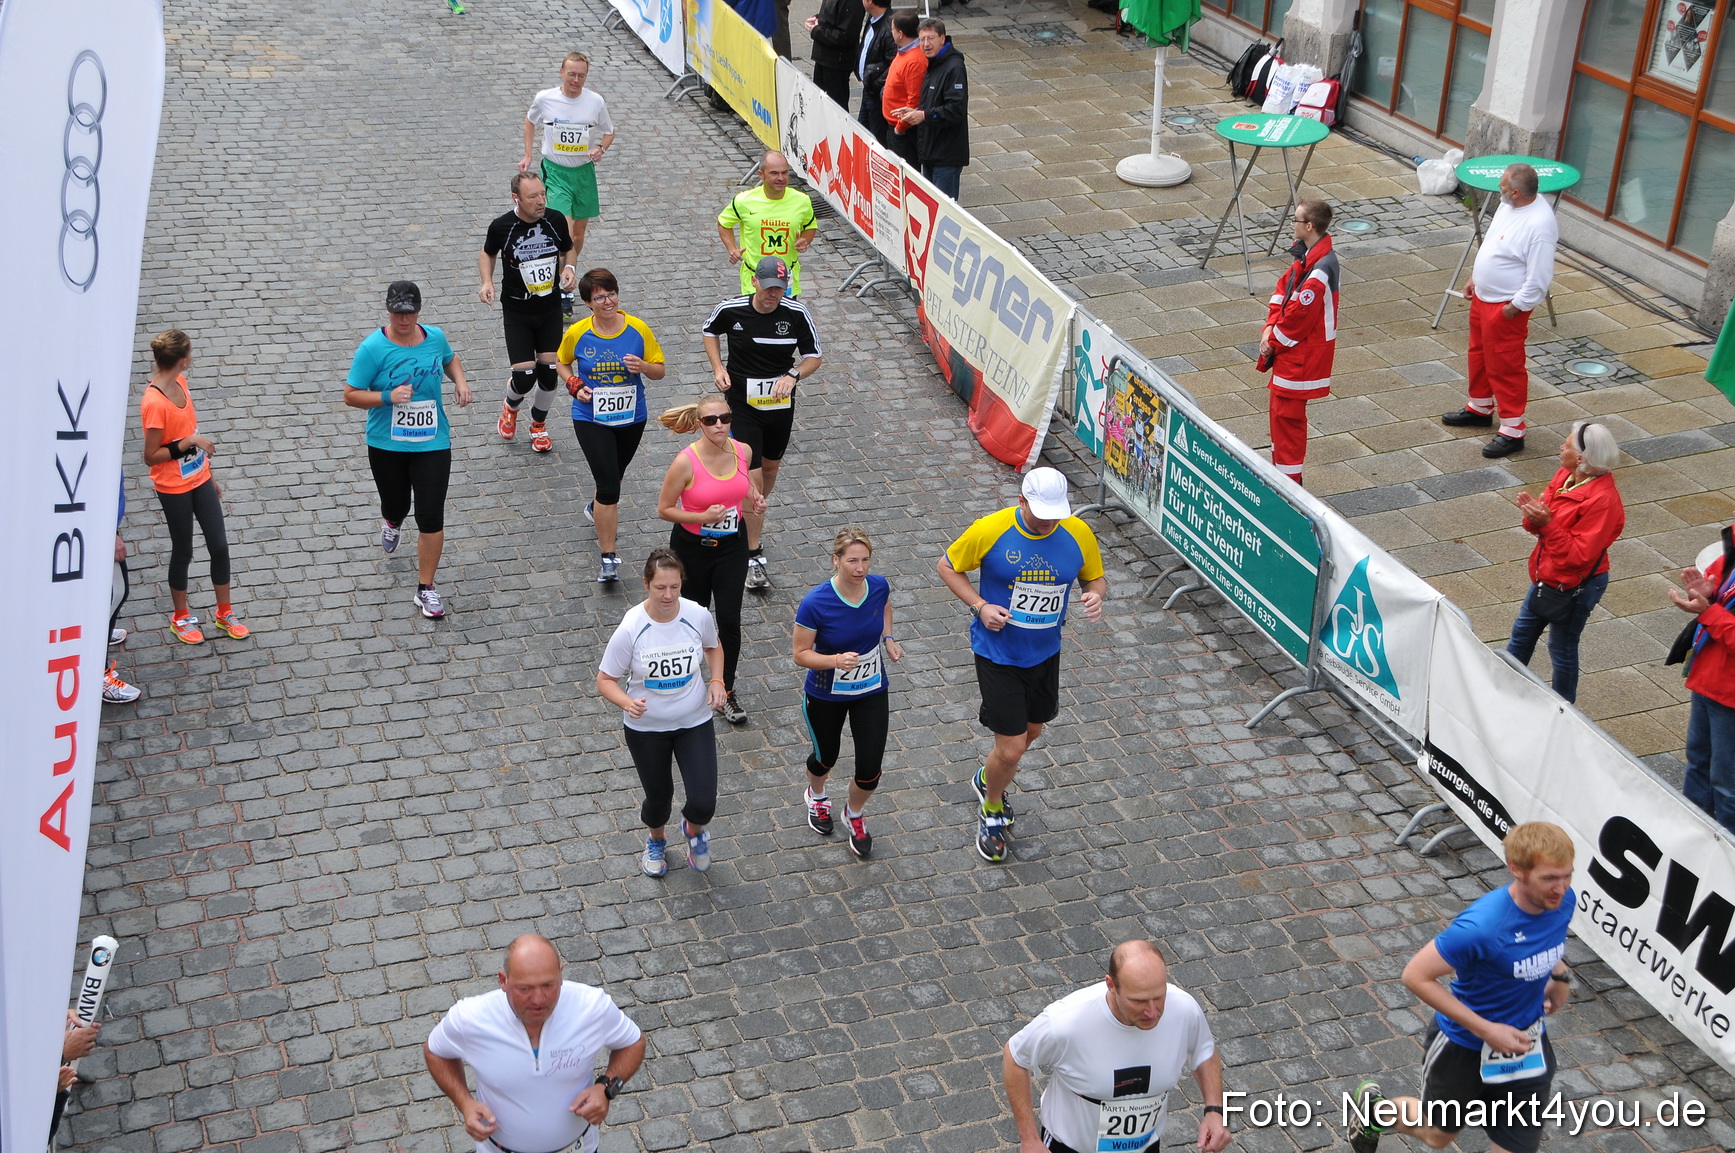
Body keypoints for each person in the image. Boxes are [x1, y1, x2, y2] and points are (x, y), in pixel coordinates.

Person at [1347, 822, 1576, 1153]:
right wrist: (1486, 1030)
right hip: (1463, 1049)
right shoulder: (1482, 927)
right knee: (1437, 1136)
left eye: (1567, 876)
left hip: (1526, 1047)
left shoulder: (1563, 902)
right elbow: (1415, 975)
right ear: (1517, 869)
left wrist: (1559, 974)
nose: (1561, 888)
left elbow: (1546, 939)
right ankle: (1373, 1111)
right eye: (1550, 878)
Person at [938, 468, 1106, 863]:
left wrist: (1095, 596)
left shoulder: (1078, 532)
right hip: (997, 653)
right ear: (1021, 502)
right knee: (1012, 748)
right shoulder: (990, 529)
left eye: (1055, 514)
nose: (1049, 522)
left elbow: (1094, 579)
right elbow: (947, 565)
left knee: (1033, 731)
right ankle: (992, 809)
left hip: (1045, 651)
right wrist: (980, 606)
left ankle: (988, 776)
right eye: (1041, 514)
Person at [1003, 941, 1231, 1153]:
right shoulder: (1067, 1022)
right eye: (1138, 1001)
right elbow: (1015, 1057)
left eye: (1159, 997)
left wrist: (1214, 1110)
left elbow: (1204, 1051)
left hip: (1146, 1147)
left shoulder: (1183, 1009)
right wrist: (1029, 1139)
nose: (1152, 1012)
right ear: (1111, 985)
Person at [425, 935, 644, 1153]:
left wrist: (606, 1088)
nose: (538, 999)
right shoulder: (471, 1018)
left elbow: (633, 1043)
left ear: (561, 975)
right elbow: (436, 1053)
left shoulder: (592, 1007)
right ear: (503, 981)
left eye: (548, 985)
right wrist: (465, 1103)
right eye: (525, 989)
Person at [344, 280, 474, 620]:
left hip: (432, 441)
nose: (403, 320)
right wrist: (387, 396)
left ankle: (425, 587)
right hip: (387, 444)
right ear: (388, 311)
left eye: (410, 313)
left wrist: (460, 382)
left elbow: (450, 359)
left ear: (419, 311)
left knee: (430, 514)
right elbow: (351, 395)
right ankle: (392, 520)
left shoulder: (435, 337)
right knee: (397, 503)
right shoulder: (373, 348)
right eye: (397, 313)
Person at [598, 550, 728, 875]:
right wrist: (626, 702)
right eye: (660, 588)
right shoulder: (631, 628)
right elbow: (605, 679)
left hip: (694, 721)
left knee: (704, 801)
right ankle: (656, 840)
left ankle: (694, 831)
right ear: (646, 584)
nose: (668, 595)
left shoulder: (697, 615)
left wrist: (716, 679)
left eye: (674, 587)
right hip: (647, 729)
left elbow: (713, 646)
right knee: (659, 798)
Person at [701, 256, 824, 590]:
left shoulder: (796, 313)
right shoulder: (731, 309)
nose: (773, 295)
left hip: (779, 405)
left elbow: (814, 356)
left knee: (770, 469)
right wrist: (718, 368)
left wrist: (793, 375)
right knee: (752, 474)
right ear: (754, 281)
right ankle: (752, 552)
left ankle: (748, 510)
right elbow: (710, 331)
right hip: (742, 403)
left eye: (779, 290)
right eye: (769, 288)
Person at [793, 527, 904, 858]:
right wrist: (834, 660)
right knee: (825, 757)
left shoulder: (878, 586)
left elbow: (885, 607)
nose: (860, 568)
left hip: (870, 689)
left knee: (870, 768)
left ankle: (853, 814)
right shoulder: (816, 603)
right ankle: (816, 795)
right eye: (852, 561)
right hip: (826, 693)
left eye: (865, 560)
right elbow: (800, 654)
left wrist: (888, 638)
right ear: (836, 560)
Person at [656, 394, 767, 725]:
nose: (719, 425)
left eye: (725, 418)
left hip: (732, 546)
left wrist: (755, 498)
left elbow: (744, 484)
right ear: (699, 424)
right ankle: (686, 686)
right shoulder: (685, 462)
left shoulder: (742, 451)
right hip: (693, 549)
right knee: (693, 619)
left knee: (729, 621)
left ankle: (726, 690)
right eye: (710, 420)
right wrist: (702, 516)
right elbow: (664, 509)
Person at [140, 329, 250, 646]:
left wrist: (209, 474)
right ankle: (180, 617)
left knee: (219, 546)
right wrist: (188, 442)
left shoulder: (181, 383)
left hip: (199, 478)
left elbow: (192, 431)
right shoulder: (154, 403)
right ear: (183, 359)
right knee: (183, 551)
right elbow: (151, 456)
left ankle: (224, 612)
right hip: (172, 486)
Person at [1442, 162, 1558, 459]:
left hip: (1505, 306)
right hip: (1485, 296)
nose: (1498, 188)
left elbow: (1539, 278)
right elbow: (1493, 243)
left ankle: (1513, 430)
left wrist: (1514, 308)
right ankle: (1479, 407)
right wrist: (1475, 277)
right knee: (1479, 353)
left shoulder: (1539, 225)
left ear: (1516, 192)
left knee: (1505, 365)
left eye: (1503, 185)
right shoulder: (1509, 205)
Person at [558, 269, 666, 583]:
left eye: (611, 294)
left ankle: (597, 508)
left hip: (632, 416)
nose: (607, 302)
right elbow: (562, 362)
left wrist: (643, 366)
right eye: (599, 298)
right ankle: (608, 558)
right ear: (587, 303)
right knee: (608, 486)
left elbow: (660, 370)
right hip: (590, 416)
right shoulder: (578, 332)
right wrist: (575, 385)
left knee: (615, 475)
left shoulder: (637, 329)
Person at [1505, 422, 1624, 704]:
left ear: (1582, 458)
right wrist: (1535, 518)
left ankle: (1563, 706)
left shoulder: (1604, 502)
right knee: (1521, 635)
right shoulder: (1566, 476)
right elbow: (1538, 524)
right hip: (1548, 575)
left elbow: (1576, 557)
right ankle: (1503, 688)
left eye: (1567, 445)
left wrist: (1546, 523)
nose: (1561, 448)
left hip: (1576, 586)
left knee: (1561, 647)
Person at [480, 171, 576, 454]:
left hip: (549, 307)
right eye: (533, 197)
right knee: (524, 378)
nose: (541, 201)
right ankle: (510, 406)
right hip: (517, 311)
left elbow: (568, 249)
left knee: (549, 375)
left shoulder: (555, 220)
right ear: (516, 198)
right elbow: (488, 253)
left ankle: (538, 425)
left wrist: (569, 268)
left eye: (543, 194)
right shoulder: (502, 226)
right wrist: (486, 281)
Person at [520, 52, 616, 302]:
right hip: (555, 172)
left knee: (578, 235)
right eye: (571, 74)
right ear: (561, 72)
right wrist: (528, 154)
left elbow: (609, 132)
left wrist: (601, 148)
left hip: (583, 174)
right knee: (566, 230)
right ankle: (563, 286)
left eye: (581, 76)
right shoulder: (545, 98)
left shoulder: (595, 102)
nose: (576, 80)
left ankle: (567, 272)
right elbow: (530, 122)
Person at [1259, 198, 1339, 486]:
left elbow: (1298, 319)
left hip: (1300, 357)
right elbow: (1283, 290)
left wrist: (1271, 341)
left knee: (1287, 420)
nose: (1292, 224)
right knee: (1280, 417)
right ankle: (1283, 475)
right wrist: (1270, 326)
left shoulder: (1319, 269)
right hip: (1294, 354)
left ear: (1309, 226)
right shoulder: (1307, 257)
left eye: (1296, 220)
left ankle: (1290, 482)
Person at [1667, 522, 1735, 834]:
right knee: (1698, 762)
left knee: (1726, 783)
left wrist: (1708, 611)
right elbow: (1718, 581)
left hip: (1728, 694)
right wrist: (1708, 593)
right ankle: (1693, 834)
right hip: (1710, 679)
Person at [717, 152, 817, 297]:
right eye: (774, 173)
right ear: (761, 175)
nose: (781, 178)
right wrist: (732, 249)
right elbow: (724, 223)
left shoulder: (802, 201)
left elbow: (810, 226)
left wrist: (805, 240)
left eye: (784, 173)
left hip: (786, 279)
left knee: (785, 312)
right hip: (754, 280)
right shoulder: (744, 201)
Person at [890, 18, 968, 199]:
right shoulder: (932, 63)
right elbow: (933, 102)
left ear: (942, 38)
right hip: (930, 152)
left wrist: (924, 115)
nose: (926, 44)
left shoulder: (954, 68)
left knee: (943, 207)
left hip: (946, 156)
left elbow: (956, 110)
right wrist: (915, 111)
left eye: (931, 38)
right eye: (922, 39)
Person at [105, 480, 141, 704]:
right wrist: (109, 533)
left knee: (114, 595)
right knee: (114, 595)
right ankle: (98, 674)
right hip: (101, 528)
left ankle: (104, 634)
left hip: (106, 525)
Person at [880, 11, 926, 167]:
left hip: (903, 132)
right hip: (894, 126)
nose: (891, 32)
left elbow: (914, 100)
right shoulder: (905, 52)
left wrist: (900, 129)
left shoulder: (914, 61)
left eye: (893, 29)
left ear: (900, 34)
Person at [805, 0, 866, 107]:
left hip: (837, 63)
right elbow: (832, 17)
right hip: (823, 58)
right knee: (819, 103)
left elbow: (846, 37)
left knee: (836, 106)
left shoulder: (852, 3)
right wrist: (817, 20)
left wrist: (817, 31)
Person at [856, 0, 895, 145]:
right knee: (861, 135)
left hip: (877, 95)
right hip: (868, 89)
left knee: (877, 140)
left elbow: (893, 65)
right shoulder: (872, 19)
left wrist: (874, 83)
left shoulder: (889, 28)